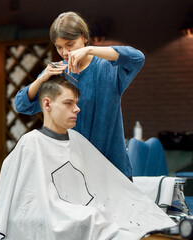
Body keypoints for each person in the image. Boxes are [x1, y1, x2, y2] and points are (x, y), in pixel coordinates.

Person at [0, 76, 175, 240]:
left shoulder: (77, 140)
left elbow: (107, 183)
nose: (77, 109)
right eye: (68, 103)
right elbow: (24, 207)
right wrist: (87, 215)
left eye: (76, 103)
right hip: (71, 217)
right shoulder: (31, 144)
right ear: (47, 104)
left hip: (94, 210)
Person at [14, 11, 145, 179]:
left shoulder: (109, 69)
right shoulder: (56, 73)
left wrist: (90, 50)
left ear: (84, 37)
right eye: (59, 47)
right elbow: (21, 105)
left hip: (112, 168)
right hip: (72, 172)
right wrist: (42, 79)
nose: (64, 52)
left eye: (70, 44)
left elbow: (137, 58)